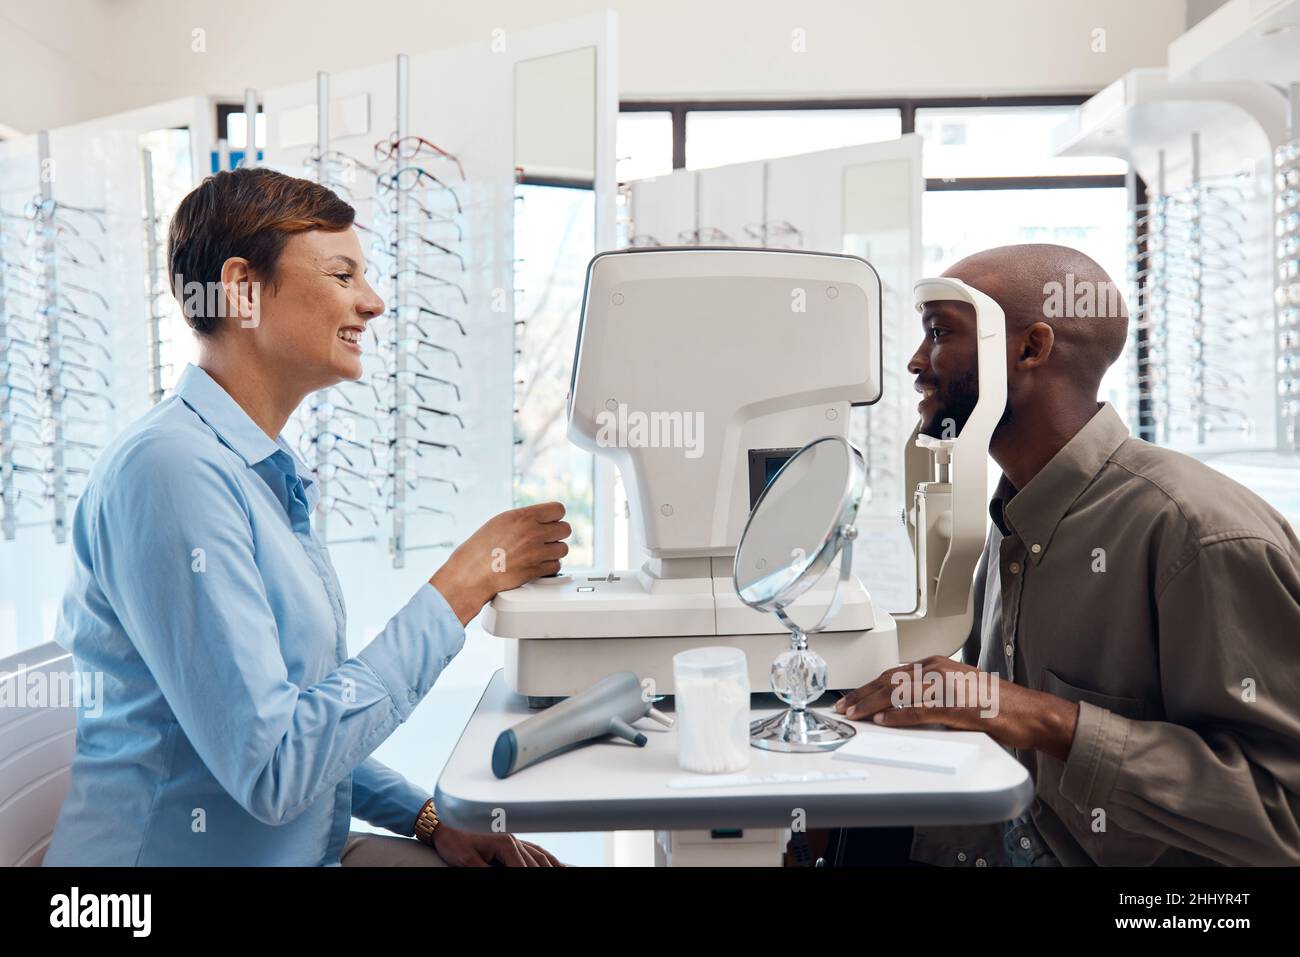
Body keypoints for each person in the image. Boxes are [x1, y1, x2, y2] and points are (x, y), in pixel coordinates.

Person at [43, 167, 568, 866]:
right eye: (342, 275)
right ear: (241, 289)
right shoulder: (171, 473)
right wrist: (460, 587)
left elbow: (293, 721)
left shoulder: (258, 474)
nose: (373, 302)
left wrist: (428, 817)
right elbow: (274, 767)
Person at [832, 243, 1300, 866]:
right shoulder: (1013, 517)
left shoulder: (1197, 533)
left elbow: (1283, 816)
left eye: (940, 333)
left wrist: (1041, 718)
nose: (917, 363)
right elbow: (1004, 742)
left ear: (1030, 349)